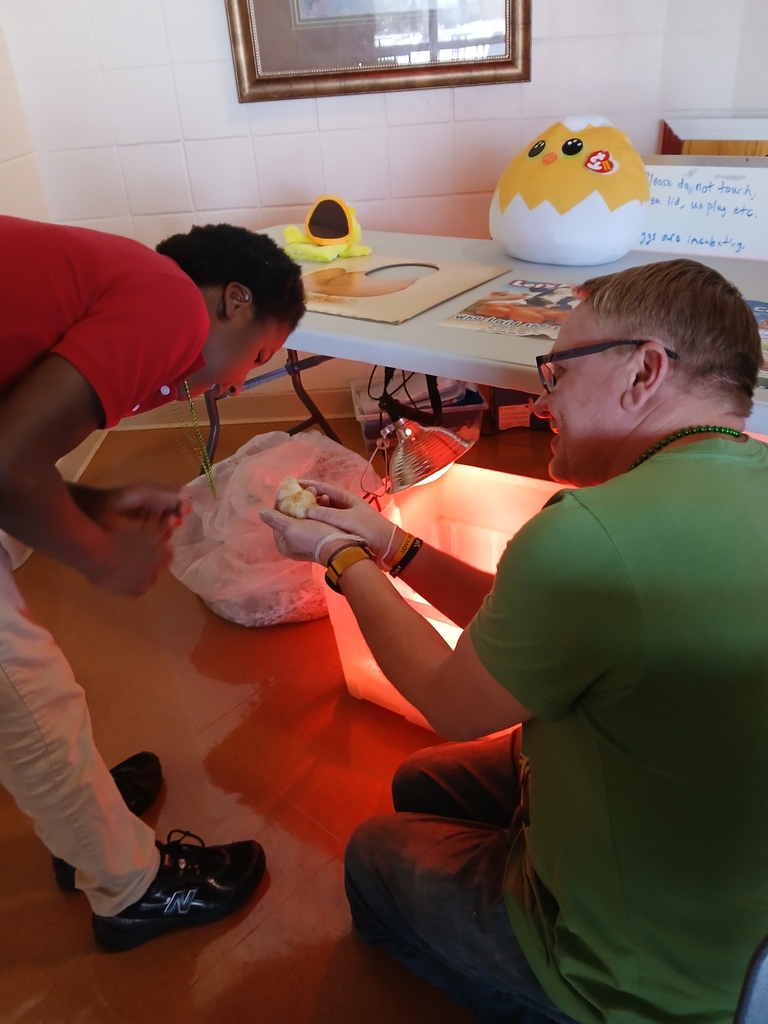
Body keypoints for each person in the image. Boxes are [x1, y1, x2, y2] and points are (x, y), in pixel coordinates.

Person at [260, 257, 768, 1023]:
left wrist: (339, 556)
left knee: (372, 850)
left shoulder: (588, 533)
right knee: (422, 786)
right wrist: (390, 545)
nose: (542, 394)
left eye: (557, 371)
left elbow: (450, 701)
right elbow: (539, 624)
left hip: (645, 979)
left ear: (645, 370)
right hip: (735, 919)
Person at [0, 215, 304, 952]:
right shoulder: (166, 302)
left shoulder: (111, 290)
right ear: (233, 299)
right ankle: (131, 889)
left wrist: (93, 504)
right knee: (21, 680)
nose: (234, 385)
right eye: (259, 354)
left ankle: (83, 814)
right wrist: (103, 557)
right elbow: (7, 466)